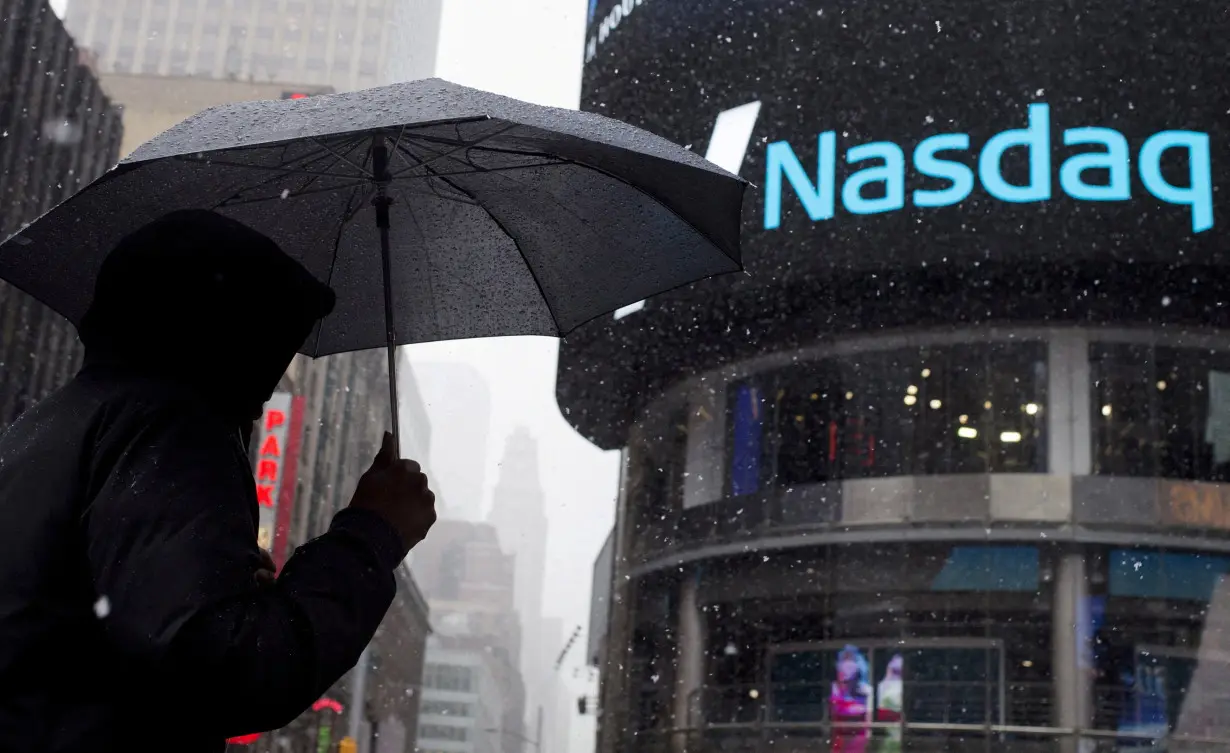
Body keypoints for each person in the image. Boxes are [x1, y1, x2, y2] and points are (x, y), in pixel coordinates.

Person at [0, 210, 437, 753]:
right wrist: (372, 534)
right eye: (269, 352)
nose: (261, 401)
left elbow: (107, 620)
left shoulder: (53, 424)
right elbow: (222, 671)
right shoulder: (170, 428)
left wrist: (222, 583)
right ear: (229, 337)